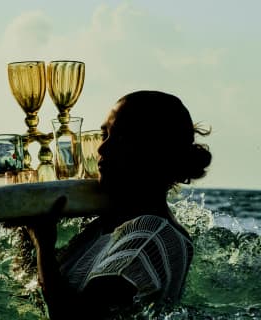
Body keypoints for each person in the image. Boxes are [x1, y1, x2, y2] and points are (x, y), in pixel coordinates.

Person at [25, 90, 212, 319]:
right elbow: (38, 301)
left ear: (156, 152)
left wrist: (43, 245)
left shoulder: (148, 236)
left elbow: (75, 317)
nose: (102, 149)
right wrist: (27, 239)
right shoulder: (105, 227)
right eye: (104, 134)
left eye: (122, 137)